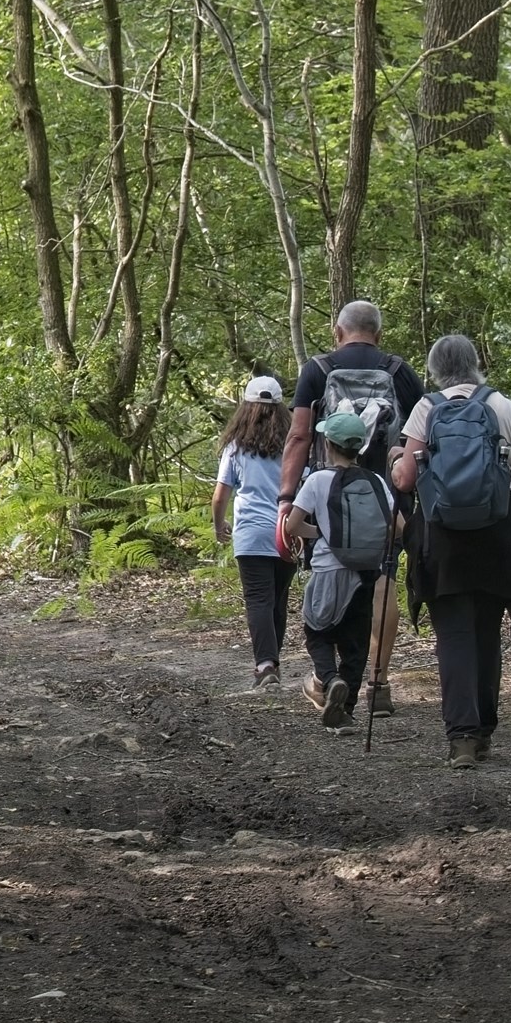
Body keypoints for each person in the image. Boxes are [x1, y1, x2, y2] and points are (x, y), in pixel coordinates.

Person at [393, 334, 511, 768]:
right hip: (496, 535)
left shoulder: (427, 408)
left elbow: (404, 481)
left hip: (443, 539)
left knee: (454, 636)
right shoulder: (503, 406)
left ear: (435, 369)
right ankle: (485, 733)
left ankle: (461, 737)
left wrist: (399, 457)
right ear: (476, 364)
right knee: (485, 634)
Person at [280, 300, 428, 717]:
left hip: (327, 498)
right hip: (387, 493)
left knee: (330, 581)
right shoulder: (399, 371)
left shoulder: (318, 370)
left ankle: (329, 674)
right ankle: (378, 683)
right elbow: (422, 433)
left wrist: (287, 497)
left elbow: (298, 436)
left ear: (337, 331)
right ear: (377, 334)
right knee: (382, 583)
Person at [280, 409, 398, 729]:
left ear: (328, 444)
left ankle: (330, 680)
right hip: (366, 573)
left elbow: (292, 526)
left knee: (317, 632)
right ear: (359, 446)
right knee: (355, 645)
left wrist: (322, 533)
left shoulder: (318, 479)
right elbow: (395, 526)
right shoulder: (375, 481)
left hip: (328, 571)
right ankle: (344, 711)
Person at [210, 374, 294, 686]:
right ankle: (273, 662)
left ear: (247, 407)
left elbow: (220, 496)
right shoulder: (293, 446)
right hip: (287, 532)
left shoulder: (236, 448)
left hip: (251, 533)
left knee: (259, 599)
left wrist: (219, 527)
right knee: (278, 600)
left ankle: (266, 665)